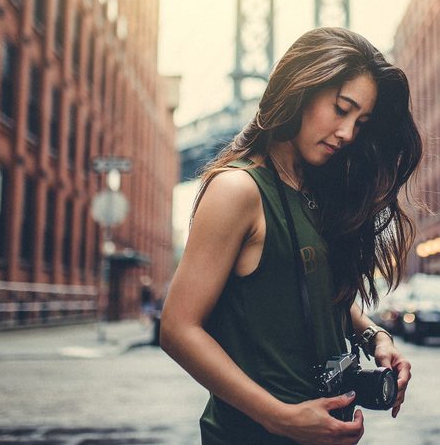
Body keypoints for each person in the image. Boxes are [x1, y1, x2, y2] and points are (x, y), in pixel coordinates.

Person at [160, 27, 423, 444]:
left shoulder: (315, 193)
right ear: (301, 88)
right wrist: (280, 417)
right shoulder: (239, 190)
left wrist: (377, 338)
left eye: (361, 121)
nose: (349, 133)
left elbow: (320, 293)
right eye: (341, 109)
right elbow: (178, 328)